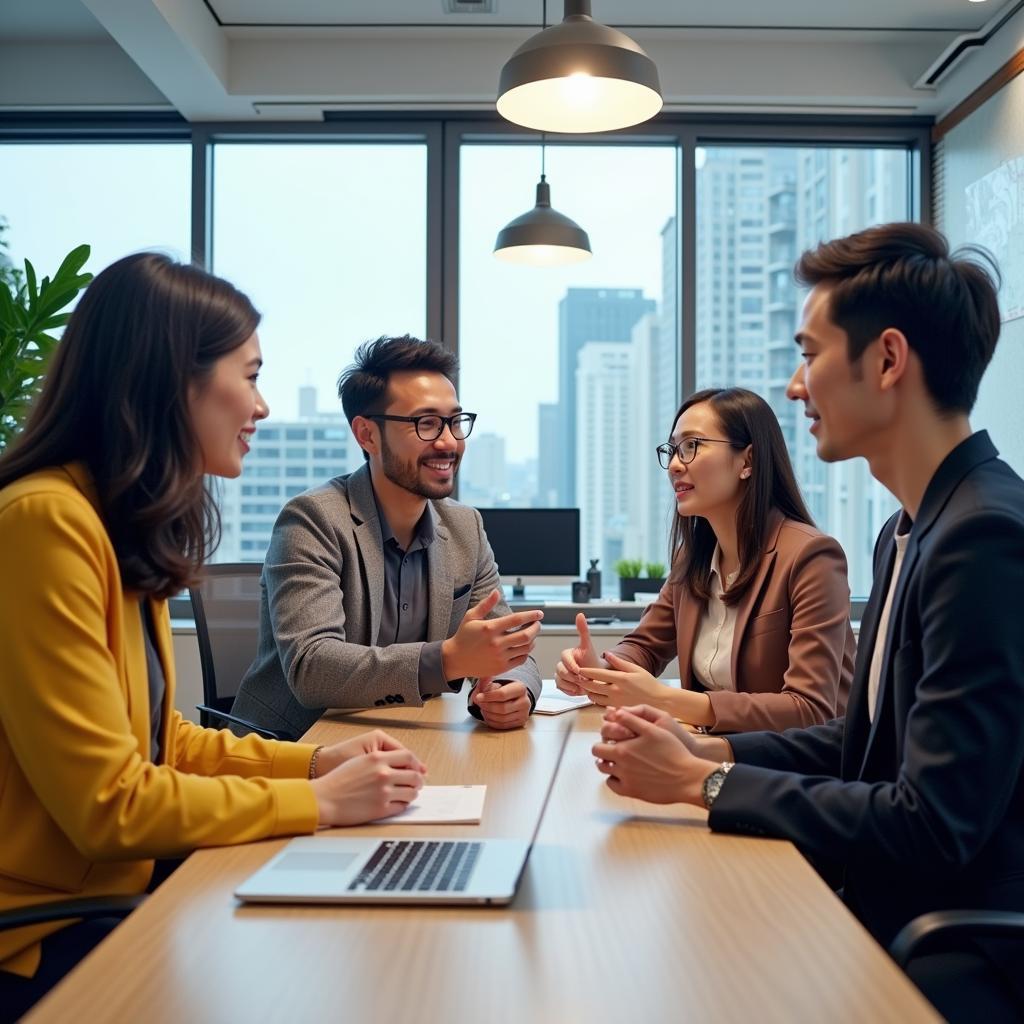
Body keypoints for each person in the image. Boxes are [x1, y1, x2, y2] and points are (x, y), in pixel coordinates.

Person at [591, 223, 1024, 1021]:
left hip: (950, 946)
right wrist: (706, 748)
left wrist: (704, 782)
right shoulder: (906, 531)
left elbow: (932, 826)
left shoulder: (985, 535)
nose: (795, 387)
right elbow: (859, 746)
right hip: (880, 898)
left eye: (810, 353)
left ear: (888, 360)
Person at [0, 254, 426, 1018]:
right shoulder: (46, 522)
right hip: (48, 936)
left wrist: (314, 764)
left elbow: (166, 744)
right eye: (250, 374)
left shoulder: (115, 526)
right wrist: (322, 804)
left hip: (124, 896)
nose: (261, 405)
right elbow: (110, 805)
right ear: (172, 379)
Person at [231, 335, 543, 740]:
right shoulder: (312, 520)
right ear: (367, 435)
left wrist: (509, 689)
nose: (449, 441)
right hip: (294, 751)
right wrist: (448, 660)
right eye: (426, 423)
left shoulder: (466, 528)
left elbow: (505, 641)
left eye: (454, 421)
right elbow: (312, 668)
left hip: (409, 741)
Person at [557, 387, 854, 732]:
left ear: (748, 461)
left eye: (691, 446)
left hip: (797, 771)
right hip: (711, 753)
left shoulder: (811, 556)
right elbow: (645, 646)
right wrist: (599, 669)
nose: (673, 465)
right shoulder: (694, 559)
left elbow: (809, 709)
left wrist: (663, 699)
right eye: (671, 450)